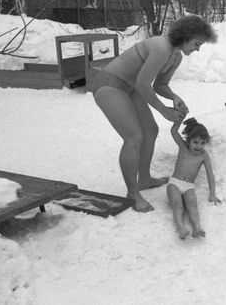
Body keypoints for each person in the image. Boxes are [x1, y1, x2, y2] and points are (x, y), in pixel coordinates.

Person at [93, 15, 217, 212]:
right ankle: (132, 193)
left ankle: (144, 179)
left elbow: (160, 85)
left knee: (150, 130)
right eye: (197, 43)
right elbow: (143, 84)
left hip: (130, 88)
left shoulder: (176, 56)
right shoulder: (161, 47)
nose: (197, 49)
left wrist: (174, 97)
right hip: (109, 85)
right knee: (133, 137)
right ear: (185, 36)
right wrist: (164, 110)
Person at [167, 117, 221, 239]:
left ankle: (197, 227)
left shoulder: (204, 155)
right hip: (174, 183)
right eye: (195, 142)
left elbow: (210, 174)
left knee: (192, 205)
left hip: (188, 187)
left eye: (202, 143)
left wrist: (212, 194)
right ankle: (181, 227)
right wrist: (179, 119)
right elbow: (173, 132)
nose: (199, 146)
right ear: (189, 140)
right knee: (178, 205)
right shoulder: (183, 147)